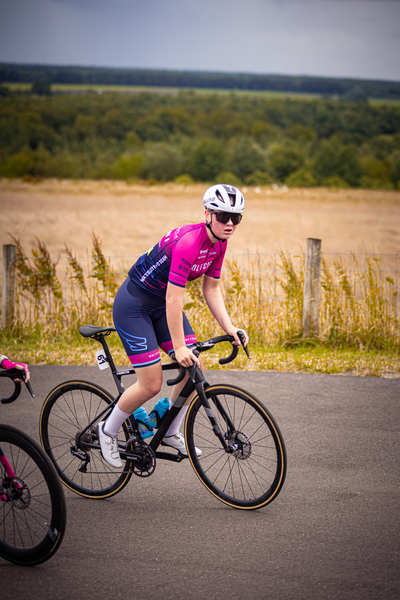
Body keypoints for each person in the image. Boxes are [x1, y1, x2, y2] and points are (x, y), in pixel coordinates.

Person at [97, 184, 249, 468]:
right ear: (207, 214)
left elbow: (212, 288)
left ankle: (168, 430)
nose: (229, 224)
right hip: (134, 306)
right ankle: (107, 429)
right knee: (151, 383)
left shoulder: (219, 242)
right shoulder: (190, 242)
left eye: (236, 218)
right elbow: (173, 297)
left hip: (160, 305)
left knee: (194, 368)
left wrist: (230, 327)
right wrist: (178, 347)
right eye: (223, 216)